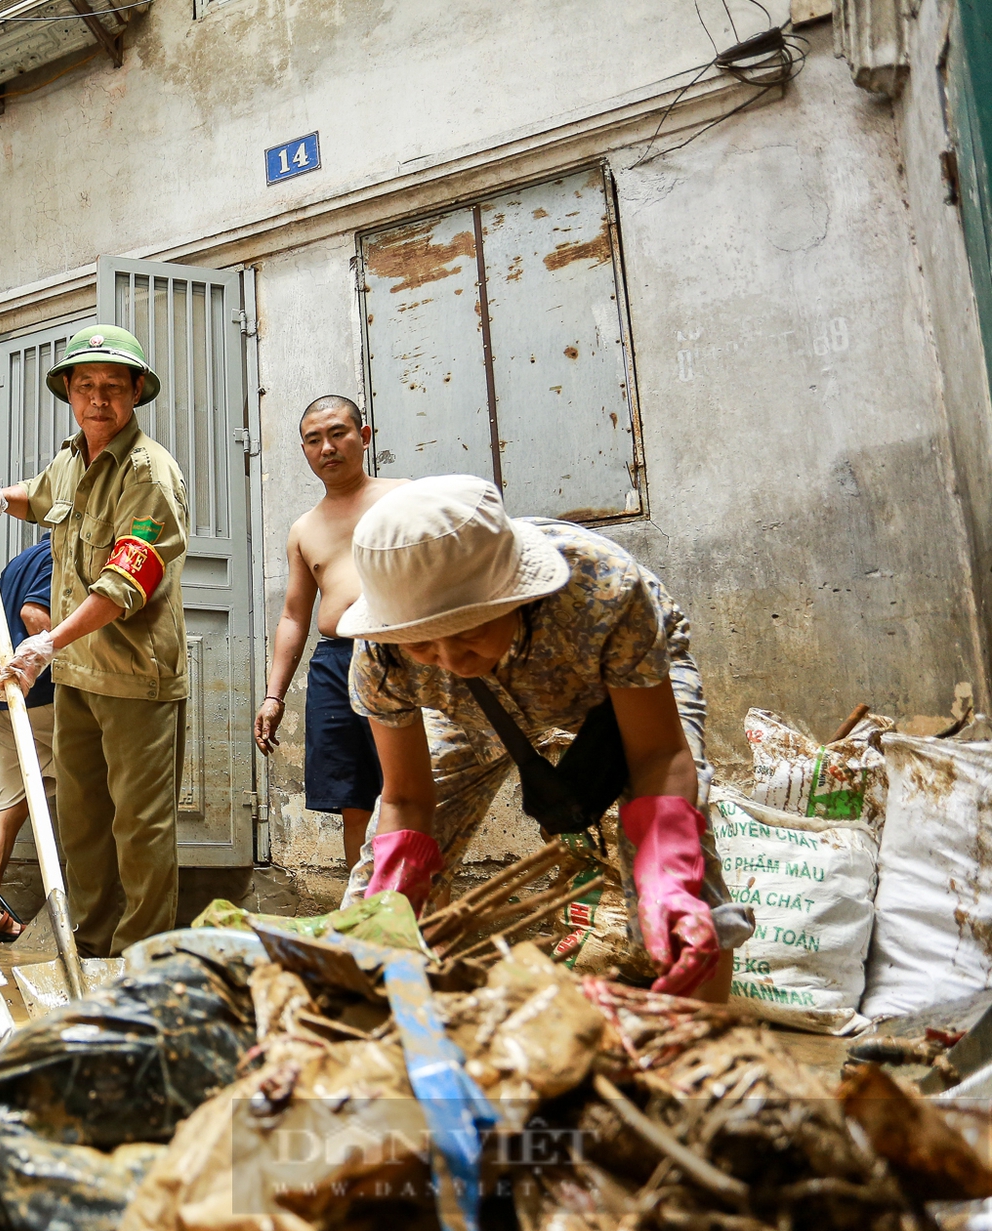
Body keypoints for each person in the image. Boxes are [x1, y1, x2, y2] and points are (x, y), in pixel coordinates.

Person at [340, 475, 754, 998]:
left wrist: (669, 878)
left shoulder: (603, 592)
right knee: (379, 886)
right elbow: (407, 797)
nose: (448, 660)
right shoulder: (381, 652)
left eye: (469, 632)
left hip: (615, 687)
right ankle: (385, 1028)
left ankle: (701, 1044)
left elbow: (658, 754)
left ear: (516, 597)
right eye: (422, 644)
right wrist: (393, 901)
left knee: (682, 878)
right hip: (464, 712)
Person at [0, 325, 188, 958]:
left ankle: (143, 957)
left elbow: (123, 582)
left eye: (114, 387)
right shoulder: (70, 460)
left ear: (137, 392)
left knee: (140, 825)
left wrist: (46, 642)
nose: (99, 399)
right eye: (85, 386)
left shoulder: (150, 474)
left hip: (135, 676)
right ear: (68, 393)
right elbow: (40, 498)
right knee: (81, 820)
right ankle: (89, 942)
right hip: (77, 676)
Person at [253, 396, 404, 868]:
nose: (328, 447)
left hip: (401, 652)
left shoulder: (404, 497)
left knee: (407, 785)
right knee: (352, 795)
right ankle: (364, 908)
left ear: (365, 435)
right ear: (303, 449)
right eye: (314, 439)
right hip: (335, 662)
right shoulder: (304, 529)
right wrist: (274, 695)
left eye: (338, 433)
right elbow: (295, 616)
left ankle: (419, 910)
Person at [0, 533, 56, 939]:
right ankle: (85, 909)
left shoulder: (16, 561)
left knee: (12, 802)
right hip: (43, 696)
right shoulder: (61, 554)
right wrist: (35, 670)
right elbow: (34, 616)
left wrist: (2, 664)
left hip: (1, 698)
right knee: (93, 792)